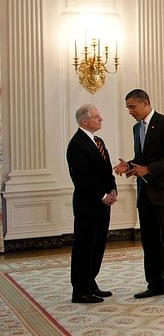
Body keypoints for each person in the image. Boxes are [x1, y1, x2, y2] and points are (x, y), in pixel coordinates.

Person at [113, 89, 164, 303]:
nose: (129, 111)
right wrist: (129, 165)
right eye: (128, 107)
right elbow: (142, 158)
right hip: (145, 193)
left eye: (132, 107)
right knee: (150, 241)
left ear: (145, 103)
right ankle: (156, 284)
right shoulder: (136, 128)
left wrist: (149, 169)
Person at [66, 104, 117, 303]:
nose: (101, 119)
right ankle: (80, 290)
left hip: (102, 204)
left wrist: (112, 190)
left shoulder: (98, 141)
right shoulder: (77, 144)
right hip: (88, 205)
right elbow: (82, 178)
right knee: (84, 247)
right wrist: (101, 196)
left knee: (97, 245)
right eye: (97, 117)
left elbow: (106, 171)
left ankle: (90, 282)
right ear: (84, 121)